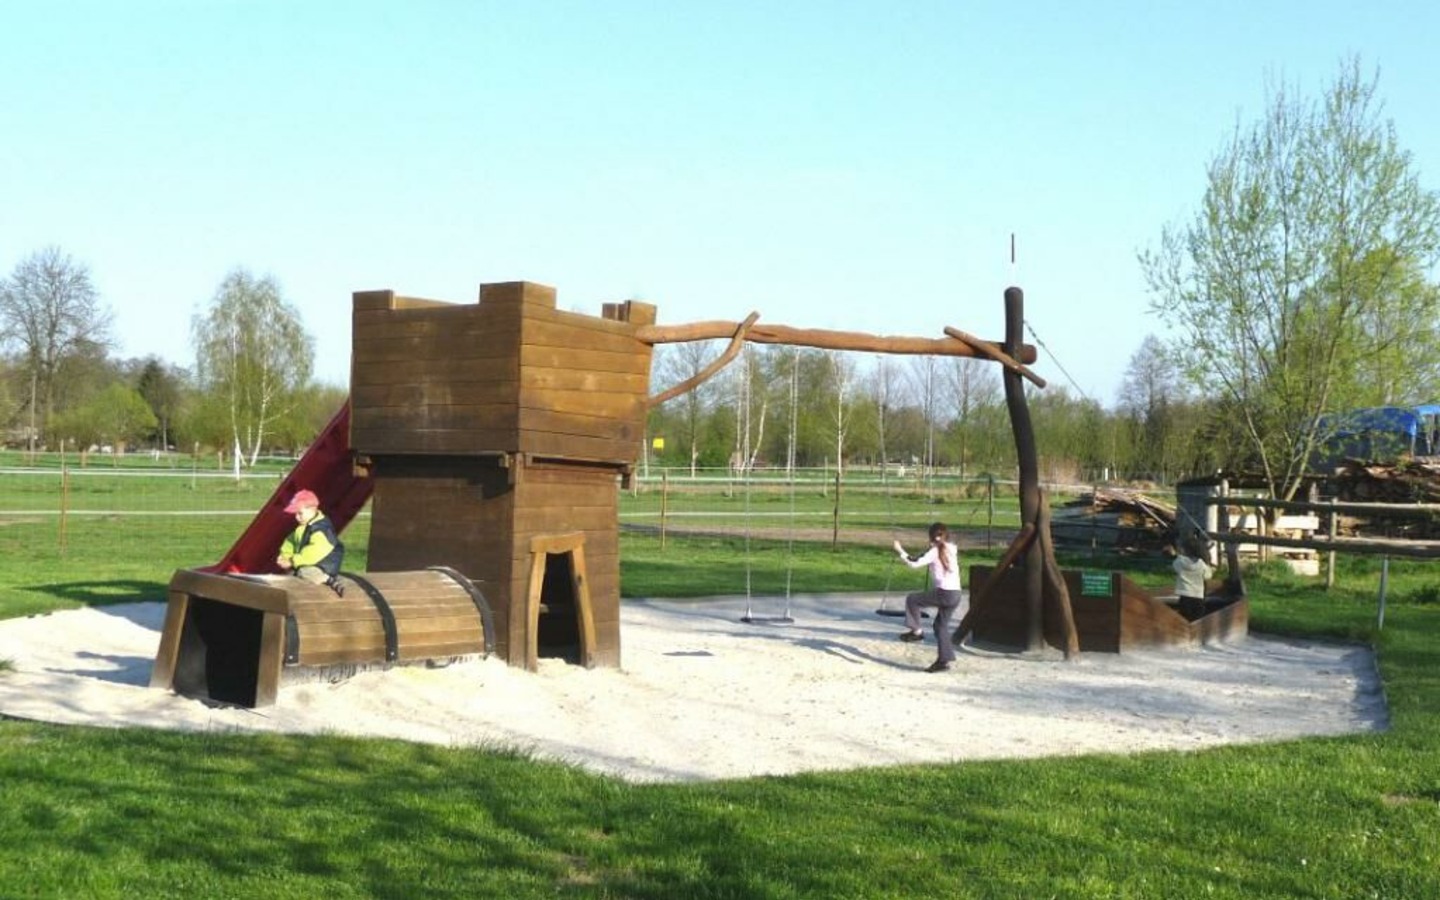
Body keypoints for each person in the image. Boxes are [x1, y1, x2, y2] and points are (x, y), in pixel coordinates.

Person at [892, 522, 963, 673]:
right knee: (940, 626)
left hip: (945, 593)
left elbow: (914, 563)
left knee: (913, 599)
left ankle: (916, 632)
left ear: (931, 536)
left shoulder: (935, 551)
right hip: (956, 594)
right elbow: (931, 554)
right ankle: (943, 661)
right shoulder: (951, 548)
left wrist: (899, 550)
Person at [276, 489, 345, 595]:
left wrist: (293, 561)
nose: (296, 517)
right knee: (293, 575)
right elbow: (290, 542)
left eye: (300, 513)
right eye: (295, 514)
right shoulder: (302, 527)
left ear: (312, 509)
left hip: (324, 564)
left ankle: (329, 580)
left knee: (305, 572)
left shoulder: (321, 529)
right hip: (308, 563)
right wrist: (285, 555)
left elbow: (315, 551)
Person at [1172, 533, 1214, 620]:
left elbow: (1175, 567)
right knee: (1197, 617)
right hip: (1198, 595)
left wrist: (1177, 554)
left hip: (1184, 594)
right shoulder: (1202, 565)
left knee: (1184, 616)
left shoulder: (1179, 561)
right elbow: (1208, 576)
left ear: (1185, 550)